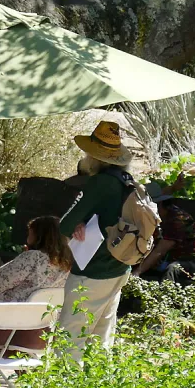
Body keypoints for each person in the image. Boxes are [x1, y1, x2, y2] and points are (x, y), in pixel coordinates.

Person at [60, 120, 136, 356]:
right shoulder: (127, 181)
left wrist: (77, 224)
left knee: (70, 336)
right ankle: (100, 387)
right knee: (102, 335)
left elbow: (65, 224)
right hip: (120, 267)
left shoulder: (99, 183)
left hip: (93, 269)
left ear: (94, 156)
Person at [0, 215, 72, 359]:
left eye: (31, 232)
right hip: (45, 331)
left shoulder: (33, 258)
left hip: (11, 327)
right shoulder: (68, 265)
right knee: (9, 348)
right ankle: (28, 378)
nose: (27, 236)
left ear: (40, 235)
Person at [136, 183, 195, 283]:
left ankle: (163, 295)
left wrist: (137, 272)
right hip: (169, 258)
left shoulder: (177, 219)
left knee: (173, 269)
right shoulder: (157, 217)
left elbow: (160, 251)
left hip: (191, 261)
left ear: (157, 205)